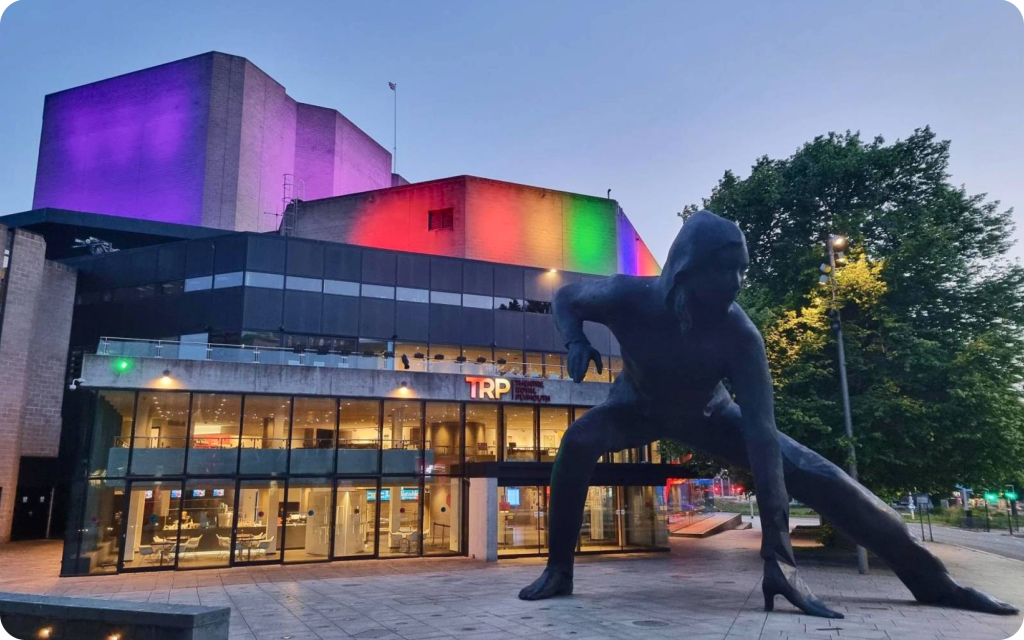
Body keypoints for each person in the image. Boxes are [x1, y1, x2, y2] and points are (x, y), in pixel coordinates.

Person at [517, 210, 1018, 618]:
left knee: (829, 479)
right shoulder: (628, 296)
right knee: (576, 443)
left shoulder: (740, 334)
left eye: (743, 271)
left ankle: (934, 583)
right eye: (724, 270)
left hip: (712, 416)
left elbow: (760, 436)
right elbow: (565, 297)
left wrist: (778, 556)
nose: (736, 283)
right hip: (636, 408)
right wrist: (575, 341)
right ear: (687, 269)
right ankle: (559, 570)